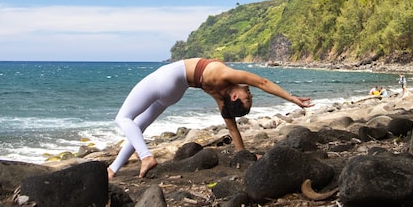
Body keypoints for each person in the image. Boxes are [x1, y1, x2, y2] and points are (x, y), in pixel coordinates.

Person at [107, 58, 312, 179]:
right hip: (175, 93)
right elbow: (233, 130)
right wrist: (244, 155)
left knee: (123, 117)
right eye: (249, 96)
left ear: (234, 97)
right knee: (138, 126)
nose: (250, 93)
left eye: (247, 97)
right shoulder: (220, 97)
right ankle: (113, 169)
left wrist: (292, 98)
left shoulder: (225, 75)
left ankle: (146, 157)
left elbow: (262, 82)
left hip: (167, 79)